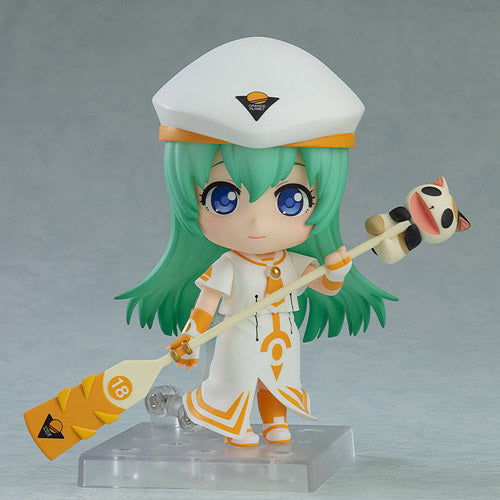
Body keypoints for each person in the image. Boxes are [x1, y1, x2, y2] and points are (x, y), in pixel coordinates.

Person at [116, 37, 396, 447]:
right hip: (240, 336)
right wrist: (190, 335)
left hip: (282, 336)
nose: (257, 222)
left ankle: (275, 420)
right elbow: (207, 303)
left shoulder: (294, 260)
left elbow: (321, 283)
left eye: (290, 199)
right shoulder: (229, 265)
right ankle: (234, 424)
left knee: (277, 380)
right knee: (237, 380)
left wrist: (336, 273)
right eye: (223, 198)